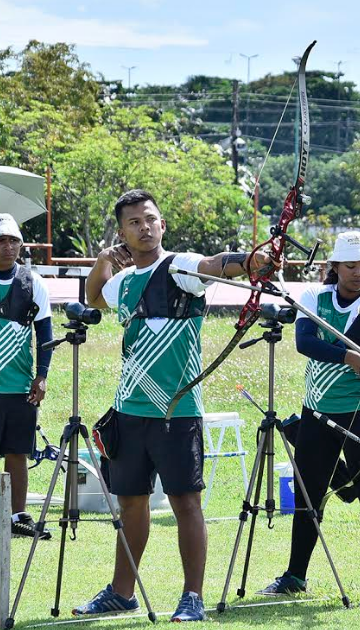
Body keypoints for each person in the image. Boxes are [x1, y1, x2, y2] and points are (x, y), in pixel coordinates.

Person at [79, 189, 276, 622]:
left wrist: (253, 262)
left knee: (186, 502)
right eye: (134, 222)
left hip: (177, 413)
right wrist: (103, 260)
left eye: (150, 219)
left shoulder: (181, 266)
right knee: (131, 502)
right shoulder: (125, 281)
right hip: (129, 410)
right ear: (123, 231)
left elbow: (214, 265)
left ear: (162, 224)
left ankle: (192, 597)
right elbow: (94, 297)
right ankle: (120, 592)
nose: (144, 227)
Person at [259, 230, 360, 607]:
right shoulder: (315, 298)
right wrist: (349, 357)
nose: (359, 273)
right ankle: (294, 577)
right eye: (351, 266)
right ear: (335, 267)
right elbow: (304, 342)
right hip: (317, 413)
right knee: (309, 496)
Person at [0, 214, 53, 539]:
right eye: (0, 241)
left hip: (20, 386)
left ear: (21, 244)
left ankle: (17, 516)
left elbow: (44, 333)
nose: (7, 247)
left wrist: (42, 376)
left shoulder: (33, 282)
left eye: (12, 241)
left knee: (17, 453)